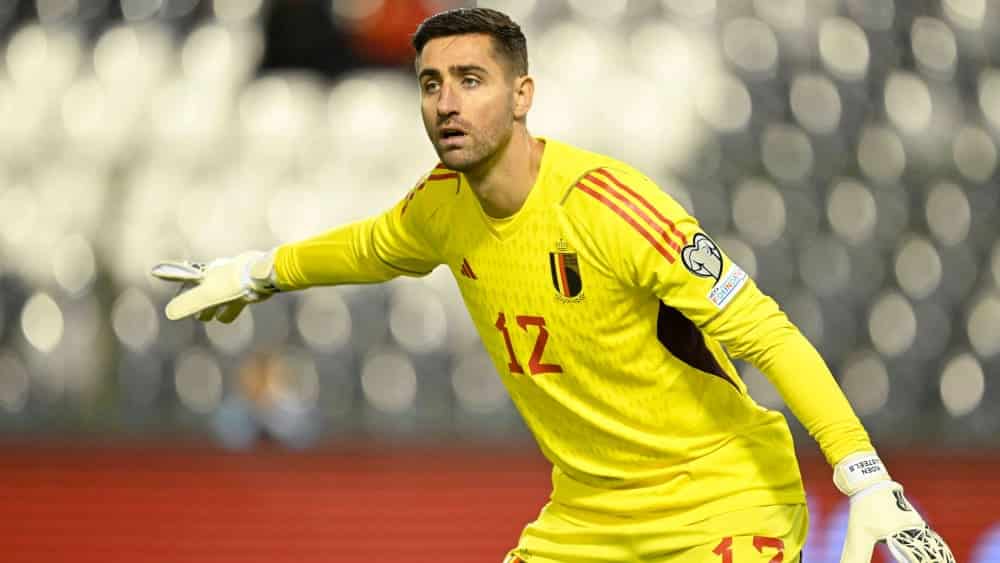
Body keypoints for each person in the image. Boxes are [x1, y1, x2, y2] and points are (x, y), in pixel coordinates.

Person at [152, 8, 955, 563]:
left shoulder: (609, 207)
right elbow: (368, 246)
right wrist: (257, 272)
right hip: (588, 519)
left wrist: (863, 473)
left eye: (471, 79)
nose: (446, 103)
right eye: (431, 84)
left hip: (720, 501)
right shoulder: (441, 206)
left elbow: (765, 331)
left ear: (522, 95)